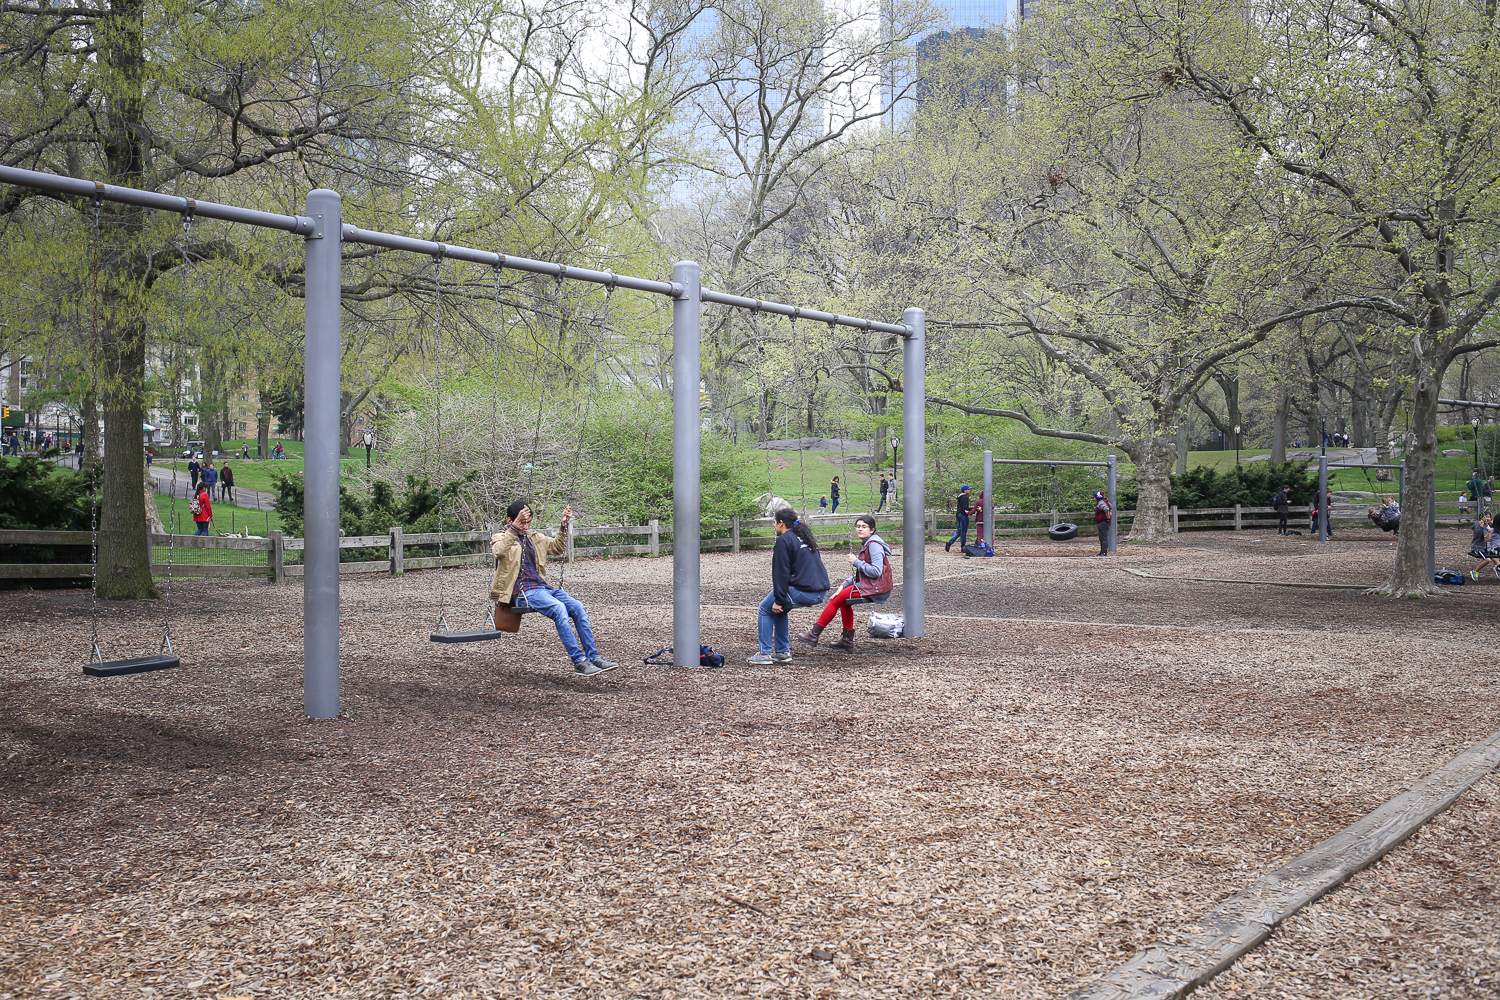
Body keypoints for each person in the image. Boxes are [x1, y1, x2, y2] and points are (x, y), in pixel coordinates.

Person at [490, 499, 617, 675]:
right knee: (559, 609)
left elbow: (557, 548)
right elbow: (499, 552)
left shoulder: (535, 537)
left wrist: (563, 526)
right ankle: (578, 660)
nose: (525, 526)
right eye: (521, 522)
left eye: (528, 522)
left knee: (578, 607)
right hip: (523, 592)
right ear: (509, 521)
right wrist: (514, 529)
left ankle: (593, 656)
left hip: (543, 588)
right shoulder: (500, 538)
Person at [798, 514, 891, 652]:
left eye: (864, 527)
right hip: (873, 586)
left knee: (835, 601)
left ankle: (813, 635)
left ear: (872, 530)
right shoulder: (869, 544)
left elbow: (876, 571)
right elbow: (862, 574)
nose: (860, 529)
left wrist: (856, 562)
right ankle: (847, 641)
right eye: (858, 526)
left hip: (875, 588)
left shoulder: (874, 546)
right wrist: (843, 585)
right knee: (844, 603)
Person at [749, 508, 829, 664]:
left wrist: (779, 600)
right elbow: (813, 565)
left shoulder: (783, 540)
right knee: (780, 611)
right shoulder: (805, 537)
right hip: (819, 592)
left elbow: (781, 572)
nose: (775, 527)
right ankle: (782, 652)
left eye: (775, 523)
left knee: (765, 609)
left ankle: (764, 653)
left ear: (780, 523)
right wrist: (812, 592)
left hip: (804, 591)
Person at [944, 485, 973, 553]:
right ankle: (963, 547)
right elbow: (965, 508)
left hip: (958, 514)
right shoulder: (965, 497)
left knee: (959, 531)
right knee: (963, 532)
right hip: (963, 515)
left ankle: (950, 542)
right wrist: (973, 508)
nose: (969, 490)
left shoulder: (960, 497)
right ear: (965, 490)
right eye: (968, 489)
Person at [1470, 513, 1498, 581]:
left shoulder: (1488, 525)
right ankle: (1475, 571)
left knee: (1496, 559)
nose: (1487, 518)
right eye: (1486, 517)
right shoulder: (1478, 525)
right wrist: (1481, 527)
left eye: (1489, 517)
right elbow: (1478, 535)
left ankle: (1498, 570)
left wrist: (1493, 525)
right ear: (1482, 518)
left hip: (1486, 548)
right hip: (1478, 547)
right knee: (1488, 560)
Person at [1093, 490, 1113, 556]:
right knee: (1103, 537)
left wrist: (1108, 518)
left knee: (1103, 537)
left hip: (1103, 522)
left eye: (1094, 497)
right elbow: (1111, 507)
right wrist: (1110, 513)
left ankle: (1103, 553)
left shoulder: (1101, 503)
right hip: (1103, 522)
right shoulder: (1105, 501)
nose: (1094, 498)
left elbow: (1106, 509)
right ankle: (1103, 552)